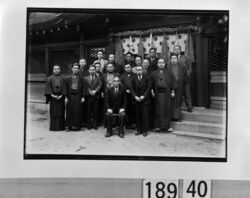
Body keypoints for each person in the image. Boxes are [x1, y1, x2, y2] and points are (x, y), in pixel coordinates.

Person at [151, 58, 176, 132]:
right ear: (157, 64)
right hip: (157, 94)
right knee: (157, 110)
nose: (161, 64)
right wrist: (152, 91)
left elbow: (173, 83)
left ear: (165, 64)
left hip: (166, 94)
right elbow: (151, 84)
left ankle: (167, 126)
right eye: (159, 63)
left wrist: (173, 91)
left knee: (166, 110)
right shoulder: (154, 73)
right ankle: (158, 126)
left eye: (162, 63)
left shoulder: (169, 73)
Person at [45, 65, 67, 131]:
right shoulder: (49, 78)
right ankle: (53, 127)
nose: (56, 70)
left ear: (60, 70)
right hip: (53, 97)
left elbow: (64, 88)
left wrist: (62, 95)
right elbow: (48, 88)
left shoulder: (63, 78)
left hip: (61, 97)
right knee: (54, 112)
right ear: (53, 70)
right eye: (55, 69)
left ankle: (61, 127)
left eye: (57, 69)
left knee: (61, 112)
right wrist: (51, 95)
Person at [131, 65, 151, 136]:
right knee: (137, 115)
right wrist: (135, 96)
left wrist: (144, 96)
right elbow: (131, 88)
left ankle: (145, 131)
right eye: (137, 70)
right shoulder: (133, 78)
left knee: (144, 116)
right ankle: (138, 130)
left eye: (140, 70)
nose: (139, 71)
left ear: (142, 70)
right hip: (137, 100)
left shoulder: (147, 77)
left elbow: (148, 88)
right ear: (136, 71)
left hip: (145, 100)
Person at [168, 54, 190, 121]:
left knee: (178, 101)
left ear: (177, 59)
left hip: (180, 86)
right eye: (172, 58)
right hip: (170, 86)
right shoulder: (168, 68)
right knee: (171, 102)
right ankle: (171, 117)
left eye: (175, 58)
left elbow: (186, 78)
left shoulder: (182, 67)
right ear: (170, 60)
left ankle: (178, 117)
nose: (173, 60)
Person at [65, 63, 85, 131]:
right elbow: (66, 88)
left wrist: (83, 97)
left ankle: (78, 126)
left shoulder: (82, 79)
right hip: (70, 95)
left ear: (79, 69)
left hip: (78, 95)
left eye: (77, 68)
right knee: (69, 110)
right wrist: (66, 97)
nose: (75, 69)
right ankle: (69, 126)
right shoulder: (68, 78)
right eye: (74, 68)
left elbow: (83, 88)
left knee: (78, 110)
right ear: (72, 69)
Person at [173, 45, 193, 112]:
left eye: (178, 49)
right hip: (176, 80)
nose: (176, 50)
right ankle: (178, 108)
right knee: (178, 95)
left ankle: (189, 107)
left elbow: (190, 68)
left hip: (185, 80)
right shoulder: (172, 58)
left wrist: (187, 75)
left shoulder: (186, 57)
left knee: (187, 93)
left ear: (181, 50)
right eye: (175, 49)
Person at [83, 65, 102, 129]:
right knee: (88, 111)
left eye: (93, 70)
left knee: (95, 111)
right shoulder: (85, 78)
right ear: (89, 70)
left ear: (95, 70)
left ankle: (95, 124)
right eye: (91, 70)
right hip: (88, 97)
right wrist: (89, 91)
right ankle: (88, 124)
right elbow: (85, 86)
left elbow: (100, 85)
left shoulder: (98, 77)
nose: (92, 71)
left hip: (96, 97)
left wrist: (95, 91)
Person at [120, 64, 135, 128]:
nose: (127, 68)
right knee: (126, 109)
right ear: (124, 69)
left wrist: (131, 90)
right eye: (126, 67)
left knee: (133, 109)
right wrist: (125, 90)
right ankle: (126, 124)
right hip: (125, 94)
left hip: (133, 94)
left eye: (128, 67)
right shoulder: (122, 76)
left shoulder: (134, 75)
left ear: (131, 68)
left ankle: (132, 123)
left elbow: (136, 83)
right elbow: (121, 84)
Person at [79, 58, 89, 128]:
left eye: (83, 62)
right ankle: (79, 121)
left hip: (85, 90)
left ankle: (85, 122)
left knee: (85, 107)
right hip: (78, 90)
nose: (82, 63)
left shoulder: (88, 71)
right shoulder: (77, 70)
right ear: (79, 63)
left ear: (85, 63)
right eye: (81, 62)